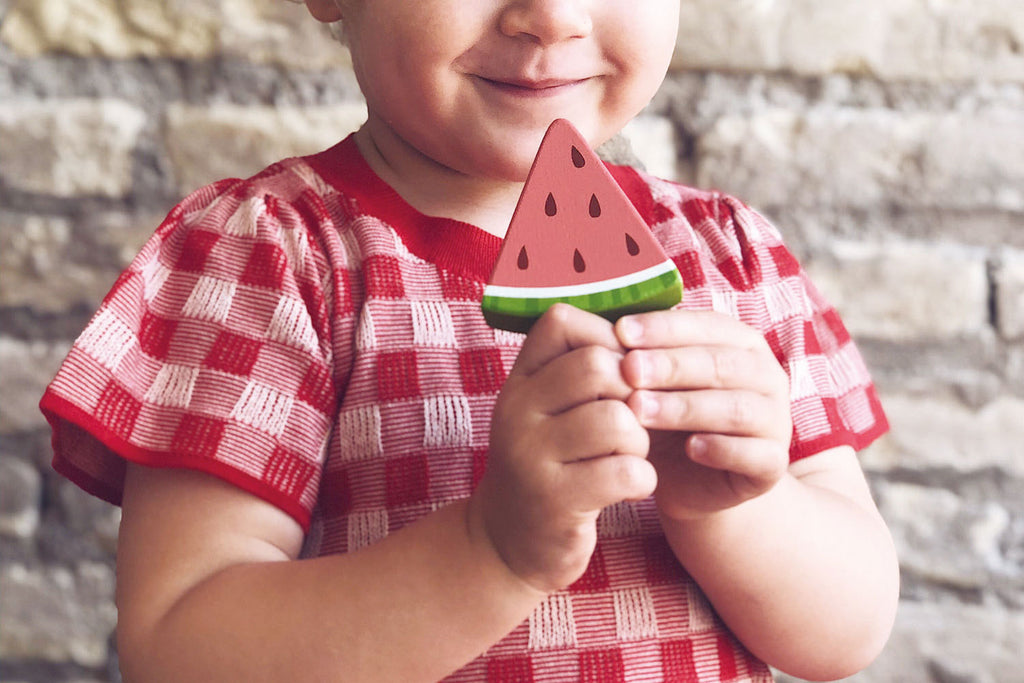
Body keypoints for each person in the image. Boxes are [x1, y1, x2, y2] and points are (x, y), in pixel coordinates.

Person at [40, 0, 900, 680]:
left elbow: (846, 631)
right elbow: (181, 650)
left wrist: (738, 511)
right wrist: (490, 549)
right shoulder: (270, 253)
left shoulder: (731, 255)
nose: (552, 14)